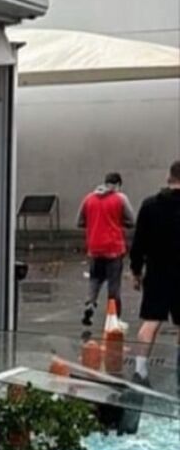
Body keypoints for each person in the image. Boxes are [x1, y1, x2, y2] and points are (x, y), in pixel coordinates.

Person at [129, 161, 180, 381]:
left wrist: (136, 271)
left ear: (170, 178)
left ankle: (140, 370)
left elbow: (138, 243)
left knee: (150, 322)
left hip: (157, 273)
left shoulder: (150, 205)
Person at [77, 172, 135, 326]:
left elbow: (80, 222)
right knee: (113, 286)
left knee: (95, 279)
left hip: (95, 248)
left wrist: (94, 224)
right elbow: (131, 221)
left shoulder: (89, 198)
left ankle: (90, 303)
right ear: (118, 185)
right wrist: (118, 222)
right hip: (114, 248)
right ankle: (113, 319)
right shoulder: (120, 199)